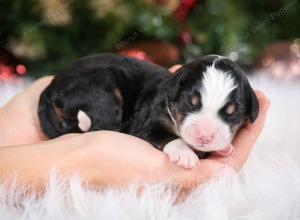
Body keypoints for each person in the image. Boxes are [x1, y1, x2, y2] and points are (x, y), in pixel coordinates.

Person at [0, 65, 270, 192]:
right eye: (192, 106)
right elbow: (150, 131)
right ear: (174, 93)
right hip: (93, 78)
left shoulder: (178, 95)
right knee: (107, 109)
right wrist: (172, 143)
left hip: (75, 86)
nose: (205, 132)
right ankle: (75, 125)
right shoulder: (161, 106)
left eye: (229, 118)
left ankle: (72, 125)